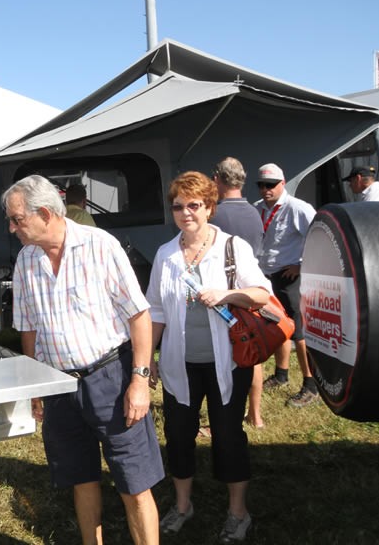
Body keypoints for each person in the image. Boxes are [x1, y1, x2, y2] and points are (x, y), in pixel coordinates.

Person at [4, 175, 163, 545]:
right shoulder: (26, 261)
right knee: (81, 478)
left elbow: (139, 315)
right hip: (59, 386)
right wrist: (36, 387)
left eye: (17, 219)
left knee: (134, 482)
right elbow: (28, 328)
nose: (12, 228)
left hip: (112, 379)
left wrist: (139, 380)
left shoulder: (100, 245)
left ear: (44, 213)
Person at [147, 171, 271, 543]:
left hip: (228, 364)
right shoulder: (165, 254)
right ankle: (183, 505)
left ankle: (238, 513)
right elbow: (155, 309)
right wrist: (150, 356)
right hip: (178, 366)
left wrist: (227, 294)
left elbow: (262, 294)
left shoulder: (232, 248)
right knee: (179, 436)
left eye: (194, 205)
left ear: (210, 207)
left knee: (229, 437)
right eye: (178, 207)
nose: (186, 213)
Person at [253, 163, 318, 407]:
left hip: (290, 275)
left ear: (283, 183)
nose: (265, 190)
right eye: (261, 185)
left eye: (270, 185)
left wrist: (302, 266)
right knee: (277, 324)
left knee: (298, 332)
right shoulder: (257, 209)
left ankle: (310, 384)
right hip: (267, 275)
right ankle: (281, 374)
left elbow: (318, 237)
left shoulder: (298, 208)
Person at [210, 157, 265, 429]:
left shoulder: (216, 215)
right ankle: (255, 415)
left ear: (218, 179)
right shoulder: (255, 212)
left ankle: (224, 416)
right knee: (252, 355)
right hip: (252, 292)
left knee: (227, 359)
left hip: (226, 297)